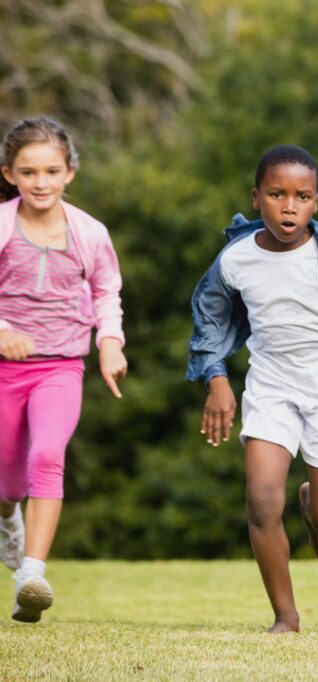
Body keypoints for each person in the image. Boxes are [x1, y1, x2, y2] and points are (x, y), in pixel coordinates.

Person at [186, 145, 318, 633]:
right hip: (272, 386)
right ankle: (286, 616)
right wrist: (216, 380)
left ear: (316, 203)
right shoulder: (235, 260)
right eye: (277, 194)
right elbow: (208, 321)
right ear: (257, 198)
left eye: (302, 196)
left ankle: (312, 506)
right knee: (260, 500)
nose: (289, 206)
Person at [0, 116, 128, 623]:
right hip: (5, 371)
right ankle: (10, 519)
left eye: (51, 171)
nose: (41, 182)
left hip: (61, 366)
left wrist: (110, 343)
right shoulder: (2, 227)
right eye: (28, 172)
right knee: (7, 483)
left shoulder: (90, 233)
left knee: (48, 454)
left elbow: (106, 292)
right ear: (9, 174)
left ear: (70, 172)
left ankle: (32, 572)